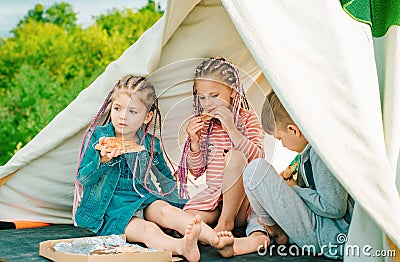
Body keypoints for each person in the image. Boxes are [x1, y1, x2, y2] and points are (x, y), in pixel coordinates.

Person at [72, 75, 235, 261]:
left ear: (147, 116)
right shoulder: (98, 137)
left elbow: (165, 179)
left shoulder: (150, 144)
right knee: (147, 230)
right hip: (109, 208)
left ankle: (216, 240)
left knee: (168, 211)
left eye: (132, 111)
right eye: (117, 108)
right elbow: (83, 178)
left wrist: (181, 205)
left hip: (142, 198)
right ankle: (181, 247)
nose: (123, 116)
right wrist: (102, 160)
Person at [243, 90, 353, 259]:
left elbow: (335, 208)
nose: (283, 144)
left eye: (280, 138)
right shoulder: (306, 155)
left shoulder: (321, 154)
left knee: (255, 171)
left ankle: (271, 232)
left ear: (294, 130)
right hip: (318, 227)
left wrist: (295, 189)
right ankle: (259, 233)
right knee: (261, 196)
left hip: (325, 235)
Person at [177, 57, 269, 255]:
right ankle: (216, 235)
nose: (208, 103)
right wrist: (194, 143)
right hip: (214, 201)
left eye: (214, 95)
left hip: (244, 204)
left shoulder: (247, 118)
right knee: (185, 219)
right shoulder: (205, 125)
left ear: (233, 91)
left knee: (235, 157)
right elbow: (196, 170)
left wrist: (231, 127)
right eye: (202, 97)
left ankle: (226, 224)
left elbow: (258, 158)